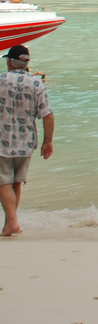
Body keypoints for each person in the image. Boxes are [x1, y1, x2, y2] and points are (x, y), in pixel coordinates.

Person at [1, 44, 54, 236]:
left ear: (9, 62)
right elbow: (47, 115)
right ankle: (9, 224)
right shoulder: (36, 84)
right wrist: (48, 141)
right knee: (16, 181)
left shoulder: (1, 81)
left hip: (2, 141)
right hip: (26, 141)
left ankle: (12, 222)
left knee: (3, 182)